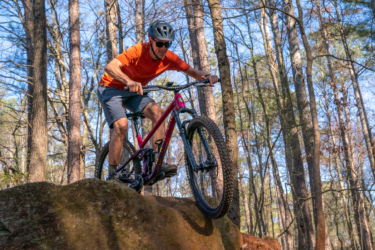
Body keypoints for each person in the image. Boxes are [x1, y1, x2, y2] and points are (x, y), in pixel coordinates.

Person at [97, 20, 219, 180]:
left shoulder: (169, 58)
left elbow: (193, 72)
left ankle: (155, 164)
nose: (163, 48)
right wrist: (128, 81)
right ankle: (112, 174)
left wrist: (208, 76)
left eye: (167, 44)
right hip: (110, 88)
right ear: (151, 40)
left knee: (159, 114)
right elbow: (110, 67)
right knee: (121, 126)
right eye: (160, 43)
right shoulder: (138, 51)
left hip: (134, 92)